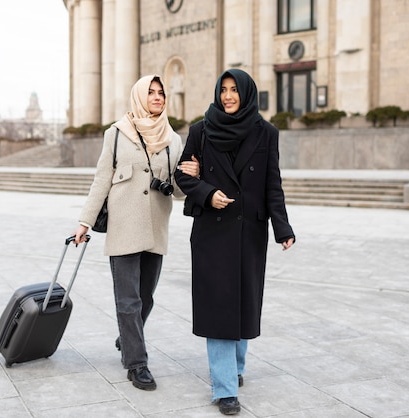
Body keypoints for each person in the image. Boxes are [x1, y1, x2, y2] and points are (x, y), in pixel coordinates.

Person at [174, 69, 296, 415]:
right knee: (219, 306)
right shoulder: (201, 130)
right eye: (223, 90)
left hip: (249, 233)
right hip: (213, 233)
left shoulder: (266, 132)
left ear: (246, 93)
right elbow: (182, 173)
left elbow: (273, 182)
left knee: (243, 303)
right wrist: (207, 193)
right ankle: (224, 388)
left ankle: (236, 368)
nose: (228, 96)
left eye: (234, 90)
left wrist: (282, 227)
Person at [73, 75, 198, 391]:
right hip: (124, 226)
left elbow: (179, 190)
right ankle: (137, 363)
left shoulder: (173, 138)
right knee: (128, 301)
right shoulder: (116, 134)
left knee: (145, 298)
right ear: (140, 96)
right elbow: (101, 180)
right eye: (151, 93)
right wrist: (84, 222)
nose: (157, 97)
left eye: (161, 93)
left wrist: (190, 176)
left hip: (156, 227)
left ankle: (126, 338)